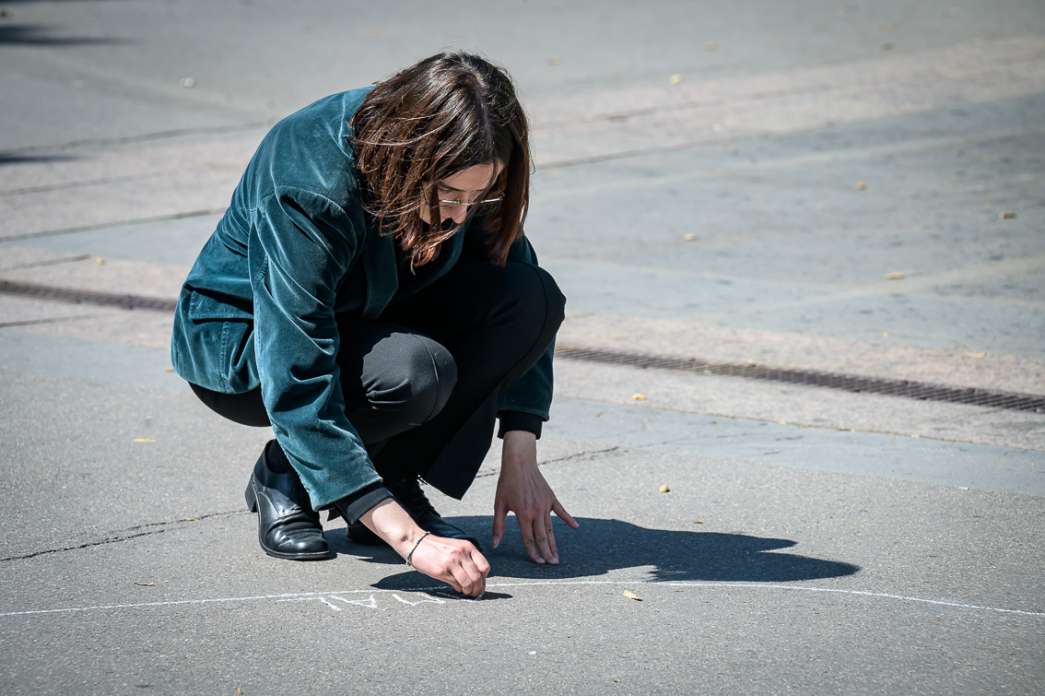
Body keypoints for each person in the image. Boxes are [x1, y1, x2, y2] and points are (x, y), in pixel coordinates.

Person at [169, 51, 577, 598]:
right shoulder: (308, 178)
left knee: (531, 298)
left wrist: (521, 449)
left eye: (478, 196)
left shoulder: (468, 156)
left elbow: (515, 275)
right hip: (247, 342)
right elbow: (295, 364)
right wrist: (411, 540)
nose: (461, 214)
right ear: (410, 159)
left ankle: (384, 476)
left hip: (370, 311)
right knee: (415, 372)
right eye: (450, 196)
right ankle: (288, 472)